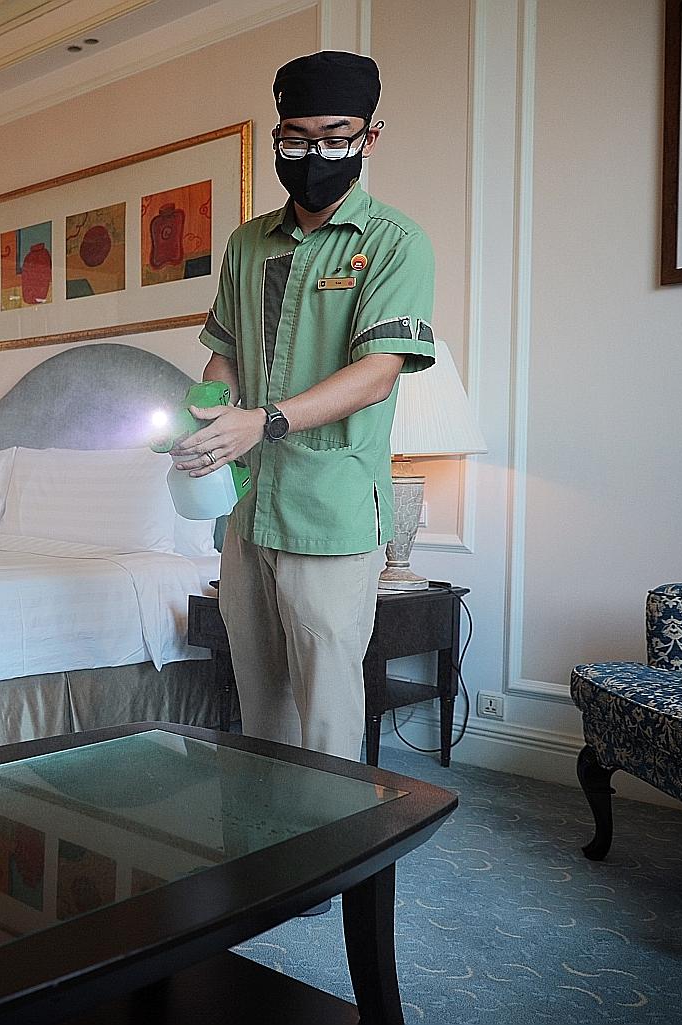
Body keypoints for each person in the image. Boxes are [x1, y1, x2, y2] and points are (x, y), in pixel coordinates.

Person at [170, 50, 436, 762]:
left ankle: (328, 854)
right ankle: (270, 853)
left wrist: (262, 419)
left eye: (335, 134)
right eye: (295, 137)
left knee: (325, 708)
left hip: (332, 509)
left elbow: (378, 372)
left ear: (368, 138)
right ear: (278, 134)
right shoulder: (247, 243)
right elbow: (224, 350)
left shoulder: (394, 244)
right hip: (250, 505)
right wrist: (209, 410)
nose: (313, 153)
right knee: (260, 703)